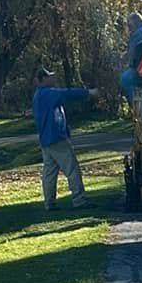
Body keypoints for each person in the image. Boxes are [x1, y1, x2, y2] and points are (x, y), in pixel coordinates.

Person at [32, 68, 95, 213]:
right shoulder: (48, 93)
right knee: (72, 169)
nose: (53, 79)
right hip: (57, 138)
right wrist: (88, 93)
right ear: (43, 79)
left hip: (46, 140)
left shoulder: (38, 95)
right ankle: (79, 200)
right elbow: (67, 93)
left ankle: (50, 203)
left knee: (49, 173)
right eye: (50, 77)